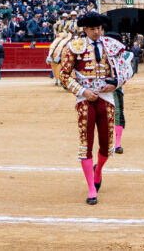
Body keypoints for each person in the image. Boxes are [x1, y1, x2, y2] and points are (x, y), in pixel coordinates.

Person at [56, 12, 134, 205]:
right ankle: (91, 188)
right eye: (93, 29)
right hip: (84, 99)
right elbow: (64, 75)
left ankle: (98, 171)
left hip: (106, 97)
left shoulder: (112, 45)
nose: (97, 32)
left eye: (99, 28)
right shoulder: (73, 47)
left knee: (107, 144)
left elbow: (126, 69)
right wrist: (82, 91)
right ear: (85, 30)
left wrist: (116, 84)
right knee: (86, 143)